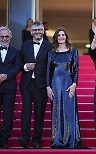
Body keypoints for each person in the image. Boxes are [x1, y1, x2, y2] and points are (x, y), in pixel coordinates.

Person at [46, 27, 87, 149]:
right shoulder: (51, 53)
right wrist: (48, 87)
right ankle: (57, 139)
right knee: (57, 111)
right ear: (56, 38)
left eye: (63, 35)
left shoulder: (73, 51)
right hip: (55, 85)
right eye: (59, 35)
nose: (61, 37)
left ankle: (71, 139)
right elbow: (48, 71)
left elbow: (76, 70)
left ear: (66, 36)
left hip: (69, 84)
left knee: (69, 112)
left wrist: (74, 84)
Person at [17, 21, 52, 149]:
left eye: (39, 30)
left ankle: (37, 139)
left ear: (43, 31)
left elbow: (51, 66)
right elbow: (18, 63)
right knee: (25, 111)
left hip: (41, 84)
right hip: (26, 83)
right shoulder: (25, 45)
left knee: (39, 112)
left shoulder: (49, 46)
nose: (37, 32)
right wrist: (25, 66)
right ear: (31, 32)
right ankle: (25, 138)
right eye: (35, 30)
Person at [0, 26, 21, 149]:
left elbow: (17, 66)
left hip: (9, 87)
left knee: (8, 115)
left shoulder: (16, 52)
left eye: (7, 36)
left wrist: (5, 76)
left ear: (10, 37)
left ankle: (4, 139)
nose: (4, 38)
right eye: (2, 36)